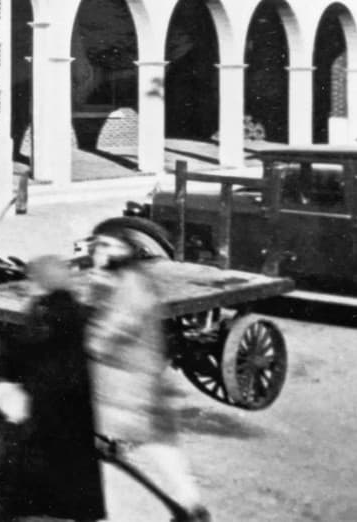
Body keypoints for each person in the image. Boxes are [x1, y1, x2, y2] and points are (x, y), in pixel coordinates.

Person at [85, 223, 212, 522]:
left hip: (130, 382)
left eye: (107, 246)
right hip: (135, 377)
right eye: (97, 245)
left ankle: (192, 508)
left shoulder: (129, 285)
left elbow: (105, 335)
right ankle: (192, 506)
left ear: (124, 251)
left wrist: (86, 334)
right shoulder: (124, 278)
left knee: (156, 442)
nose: (99, 252)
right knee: (159, 442)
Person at [0, 255, 104, 522]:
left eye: (32, 279)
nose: (28, 284)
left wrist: (8, 373)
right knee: (75, 476)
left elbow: (27, 352)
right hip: (72, 410)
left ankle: (6, 513)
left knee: (21, 475)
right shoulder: (76, 311)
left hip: (43, 408)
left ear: (42, 282)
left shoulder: (44, 313)